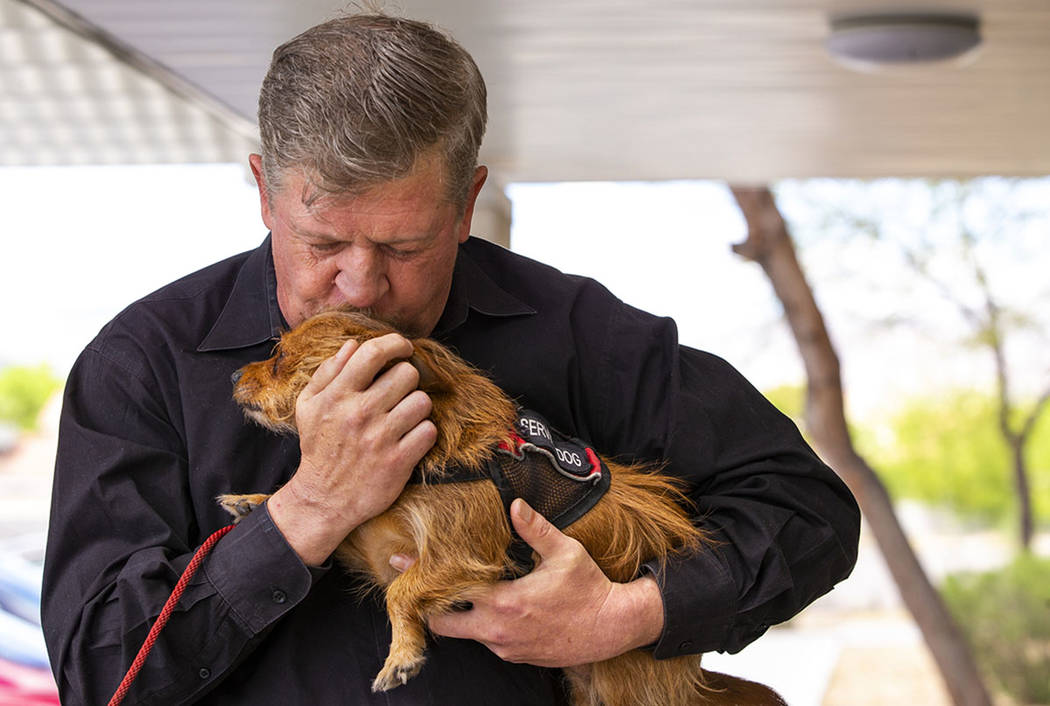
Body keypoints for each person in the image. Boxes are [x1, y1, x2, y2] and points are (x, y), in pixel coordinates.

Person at [41, 13, 860, 705]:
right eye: (322, 242)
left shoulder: (574, 330)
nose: (358, 286)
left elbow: (809, 512)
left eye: (404, 244)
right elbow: (99, 671)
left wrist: (631, 615)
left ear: (468, 203)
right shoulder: (142, 363)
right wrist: (311, 510)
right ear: (263, 190)